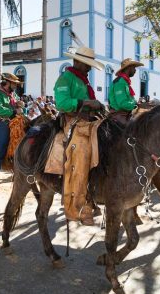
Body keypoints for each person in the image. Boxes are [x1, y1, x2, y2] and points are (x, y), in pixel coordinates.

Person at [54, 45, 104, 225]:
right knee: (82, 152)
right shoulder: (65, 79)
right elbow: (62, 103)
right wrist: (86, 102)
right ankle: (78, 206)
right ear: (76, 62)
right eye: (87, 64)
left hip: (91, 121)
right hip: (73, 121)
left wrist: (96, 105)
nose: (89, 68)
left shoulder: (83, 80)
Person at [0, 72, 23, 188]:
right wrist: (13, 111)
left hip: (13, 119)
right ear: (8, 82)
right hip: (0, 121)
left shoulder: (12, 94)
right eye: (14, 84)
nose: (16, 86)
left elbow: (17, 106)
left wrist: (19, 105)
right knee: (3, 141)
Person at [108, 58, 144, 124]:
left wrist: (136, 103)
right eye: (134, 68)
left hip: (126, 113)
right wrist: (135, 103)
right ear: (129, 67)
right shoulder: (120, 82)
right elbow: (122, 104)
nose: (135, 70)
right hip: (119, 115)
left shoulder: (125, 82)